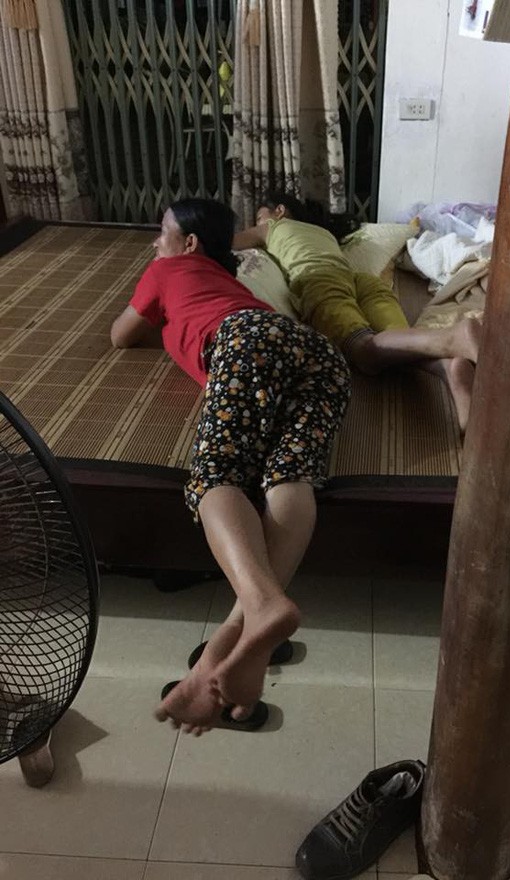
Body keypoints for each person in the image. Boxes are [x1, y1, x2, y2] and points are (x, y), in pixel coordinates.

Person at [110, 198, 351, 735]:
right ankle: (225, 651)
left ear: (189, 244)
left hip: (246, 340)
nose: (155, 242)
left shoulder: (166, 269)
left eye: (162, 232)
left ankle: (262, 605)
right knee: (289, 475)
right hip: (321, 357)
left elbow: (120, 335)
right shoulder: (230, 278)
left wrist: (163, 320)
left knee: (215, 475)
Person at [232, 192, 481, 430]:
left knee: (365, 351)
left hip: (319, 279)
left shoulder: (272, 227)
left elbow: (226, 242)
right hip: (361, 280)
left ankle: (457, 336)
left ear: (279, 211)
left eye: (259, 217)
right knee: (403, 344)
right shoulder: (323, 232)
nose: (257, 223)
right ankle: (448, 367)